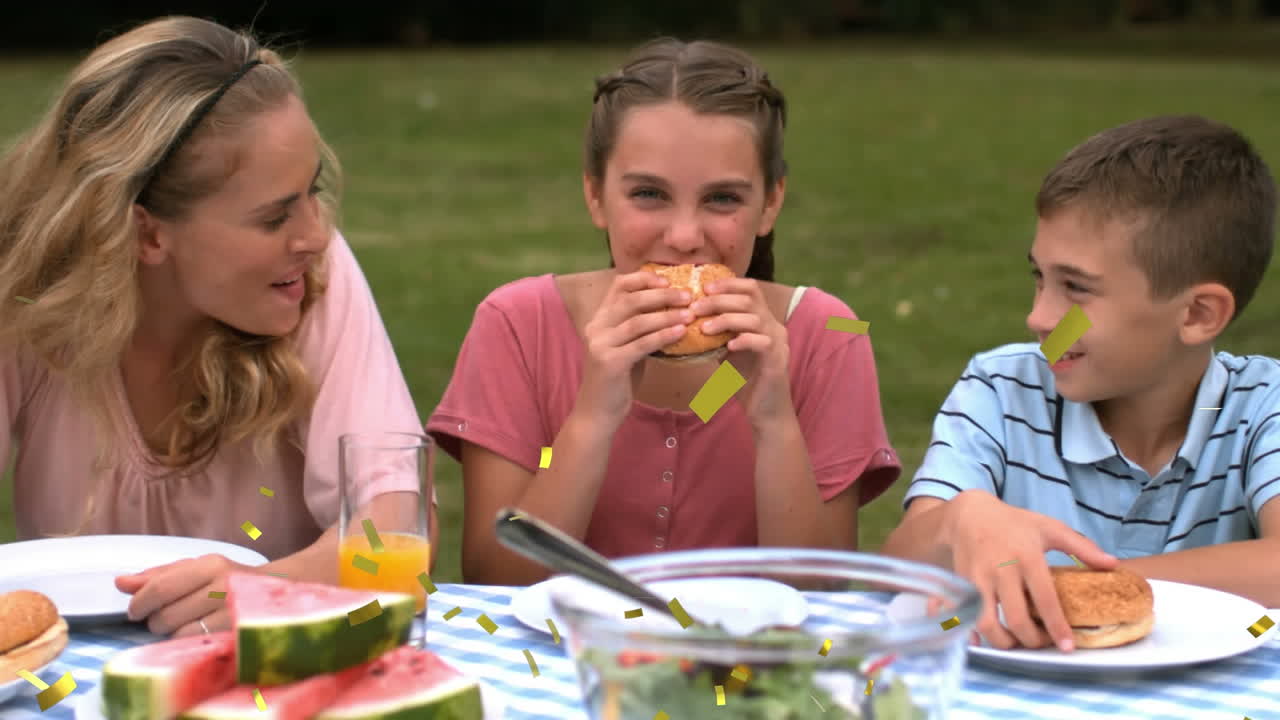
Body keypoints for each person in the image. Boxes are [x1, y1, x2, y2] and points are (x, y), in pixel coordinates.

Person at [0, 16, 437, 637]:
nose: (315, 235)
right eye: (273, 218)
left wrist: (271, 587)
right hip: (58, 673)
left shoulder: (311, 274)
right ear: (147, 233)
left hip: (265, 665)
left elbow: (396, 527)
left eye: (312, 191)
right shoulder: (22, 292)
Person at [427, 38, 901, 585]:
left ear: (770, 203)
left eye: (722, 199)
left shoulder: (828, 334)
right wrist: (591, 418)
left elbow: (822, 593)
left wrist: (775, 423)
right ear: (595, 195)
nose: (683, 236)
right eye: (649, 194)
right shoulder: (517, 324)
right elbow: (497, 579)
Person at [882, 115, 1280, 653]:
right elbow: (899, 571)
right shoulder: (1002, 389)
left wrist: (1077, 587)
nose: (1040, 318)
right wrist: (957, 521)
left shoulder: (1263, 405)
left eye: (1076, 288)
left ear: (1197, 314)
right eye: (1039, 278)